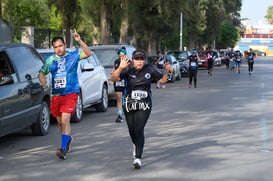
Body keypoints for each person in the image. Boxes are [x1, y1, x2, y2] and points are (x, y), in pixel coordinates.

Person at [110, 49, 173, 169]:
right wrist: (120, 68)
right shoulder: (127, 69)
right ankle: (136, 144)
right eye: (137, 59)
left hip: (145, 103)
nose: (139, 62)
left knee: (139, 129)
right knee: (131, 129)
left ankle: (138, 157)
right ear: (133, 60)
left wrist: (168, 71)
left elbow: (163, 80)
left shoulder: (150, 69)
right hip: (129, 102)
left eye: (142, 59)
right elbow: (113, 79)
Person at [38, 31, 92, 160]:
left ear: (65, 45)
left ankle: (63, 149)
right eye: (56, 47)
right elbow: (41, 73)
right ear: (53, 48)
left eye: (60, 46)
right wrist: (42, 80)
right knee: (60, 123)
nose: (58, 49)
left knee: (65, 120)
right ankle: (67, 140)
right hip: (57, 95)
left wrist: (79, 41)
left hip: (70, 92)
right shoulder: (50, 60)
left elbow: (88, 53)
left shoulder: (73, 55)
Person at [113, 47, 127, 123]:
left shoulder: (128, 62)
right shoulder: (116, 62)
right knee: (119, 98)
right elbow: (114, 70)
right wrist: (114, 76)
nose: (120, 57)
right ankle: (120, 115)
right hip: (118, 82)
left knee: (126, 99)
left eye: (122, 55)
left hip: (126, 82)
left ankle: (128, 113)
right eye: (119, 55)